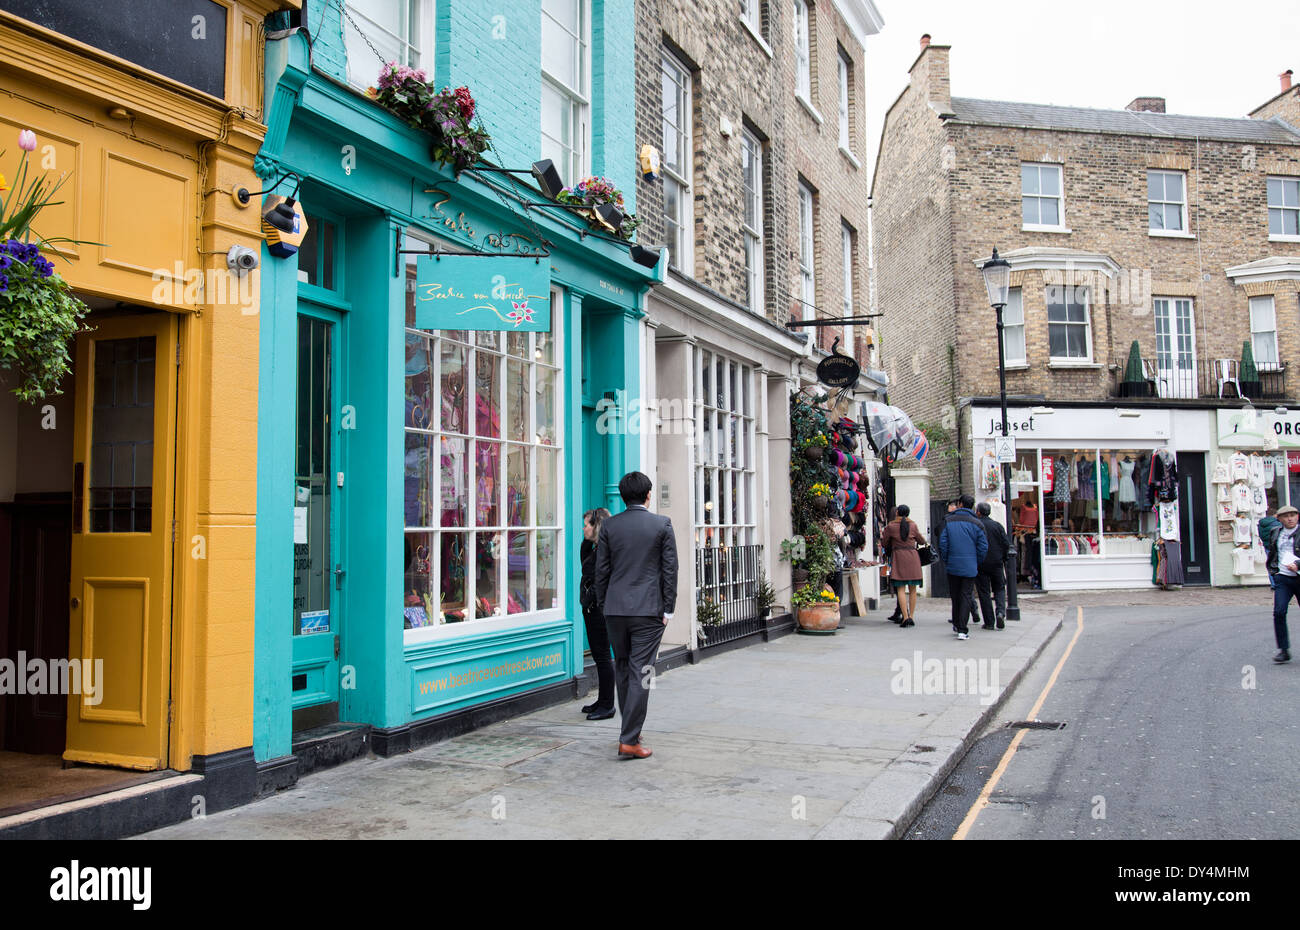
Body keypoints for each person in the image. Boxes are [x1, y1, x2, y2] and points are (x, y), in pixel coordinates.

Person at [594, 471, 679, 759]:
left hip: (615, 610)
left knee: (623, 666)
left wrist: (606, 604)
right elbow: (670, 570)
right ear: (648, 495)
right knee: (642, 671)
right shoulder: (661, 524)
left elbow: (601, 571)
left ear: (622, 496)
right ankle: (629, 740)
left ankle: (630, 730)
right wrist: (669, 608)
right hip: (648, 610)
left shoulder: (609, 526)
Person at [578, 507, 615, 719]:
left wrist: (589, 598)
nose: (583, 528)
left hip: (599, 611)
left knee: (602, 658)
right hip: (591, 609)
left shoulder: (604, 552)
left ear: (597, 527)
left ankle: (608, 705)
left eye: (587, 524)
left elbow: (601, 581)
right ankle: (602, 700)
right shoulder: (595, 548)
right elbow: (584, 561)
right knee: (599, 657)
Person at [938, 493, 987, 641]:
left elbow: (943, 543)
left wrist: (947, 559)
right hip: (970, 565)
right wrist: (976, 561)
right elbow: (983, 547)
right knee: (966, 595)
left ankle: (957, 623)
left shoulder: (948, 520)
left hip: (953, 564)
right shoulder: (977, 523)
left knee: (955, 595)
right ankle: (962, 629)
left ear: (959, 504)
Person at [1259, 504, 1299, 663]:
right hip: (1283, 578)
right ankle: (1283, 650)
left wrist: (1298, 565)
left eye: (1293, 515)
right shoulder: (1275, 532)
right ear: (1280, 519)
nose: (1290, 518)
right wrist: (1274, 571)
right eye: (1286, 516)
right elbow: (1272, 552)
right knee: (1279, 612)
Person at [882, 504, 923, 627]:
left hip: (898, 557)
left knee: (900, 588)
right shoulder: (913, 525)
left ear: (897, 513)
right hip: (913, 557)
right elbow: (921, 541)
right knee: (913, 589)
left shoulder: (891, 526)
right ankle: (912, 616)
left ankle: (904, 617)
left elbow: (884, 542)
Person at [974, 502, 1010, 630]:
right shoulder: (997, 526)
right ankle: (1000, 612)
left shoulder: (976, 526)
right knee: (999, 588)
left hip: (981, 563)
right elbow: (1006, 544)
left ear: (978, 512)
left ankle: (989, 622)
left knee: (984, 592)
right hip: (996, 562)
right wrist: (1003, 558)